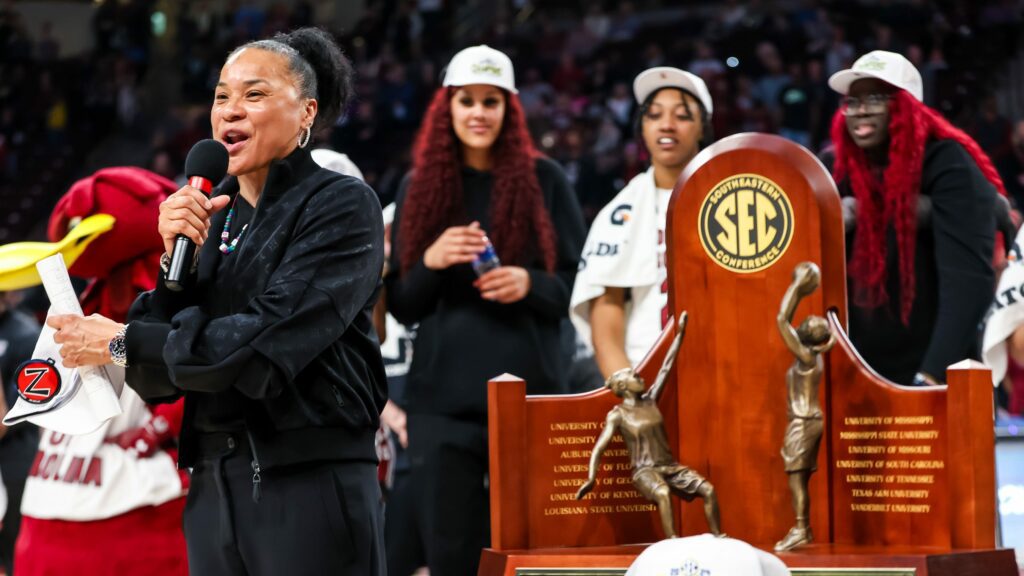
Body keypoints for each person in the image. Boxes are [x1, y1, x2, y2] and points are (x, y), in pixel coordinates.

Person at [43, 28, 387, 575]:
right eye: (222, 96)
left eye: (254, 94)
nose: (231, 110)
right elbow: (156, 381)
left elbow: (255, 350)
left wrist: (119, 340)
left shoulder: (341, 204)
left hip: (306, 483)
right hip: (211, 483)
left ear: (306, 113)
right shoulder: (214, 216)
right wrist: (170, 265)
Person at [385, 45, 586, 575]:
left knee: (534, 551)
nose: (478, 112)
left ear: (509, 109)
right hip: (442, 406)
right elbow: (404, 305)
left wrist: (528, 283)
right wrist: (430, 260)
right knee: (452, 555)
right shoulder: (419, 187)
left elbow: (576, 285)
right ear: (447, 108)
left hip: (531, 397)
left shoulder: (546, 182)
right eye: (468, 100)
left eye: (491, 101)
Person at [13, 167, 189, 575]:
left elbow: (195, 365)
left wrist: (156, 429)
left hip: (131, 492)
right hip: (60, 474)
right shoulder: (85, 297)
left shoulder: (168, 285)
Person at [826, 50, 1003, 386]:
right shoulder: (838, 169)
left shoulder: (947, 164)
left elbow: (967, 282)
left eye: (876, 97)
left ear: (907, 107)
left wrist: (932, 375)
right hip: (859, 375)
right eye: (853, 100)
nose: (861, 109)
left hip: (935, 370)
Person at [570, 67, 714, 378]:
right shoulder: (621, 210)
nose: (667, 125)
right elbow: (606, 309)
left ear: (703, 127)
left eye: (682, 115)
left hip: (725, 374)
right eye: (654, 115)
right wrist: (627, 390)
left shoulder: (733, 196)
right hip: (645, 377)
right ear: (643, 128)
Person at [576, 314, 723, 539]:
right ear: (623, 386)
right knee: (663, 493)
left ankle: (718, 537)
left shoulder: (650, 400)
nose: (641, 377)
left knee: (709, 490)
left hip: (669, 466)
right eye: (635, 376)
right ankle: (673, 543)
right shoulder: (618, 415)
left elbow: (666, 366)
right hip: (645, 471)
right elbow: (599, 447)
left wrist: (680, 334)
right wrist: (591, 478)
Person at [774, 262, 835, 552]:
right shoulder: (810, 356)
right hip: (806, 420)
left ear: (809, 336)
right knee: (798, 478)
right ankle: (802, 526)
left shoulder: (807, 356)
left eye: (810, 322)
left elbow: (781, 319)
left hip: (803, 421)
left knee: (796, 479)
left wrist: (797, 286)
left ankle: (801, 527)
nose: (806, 318)